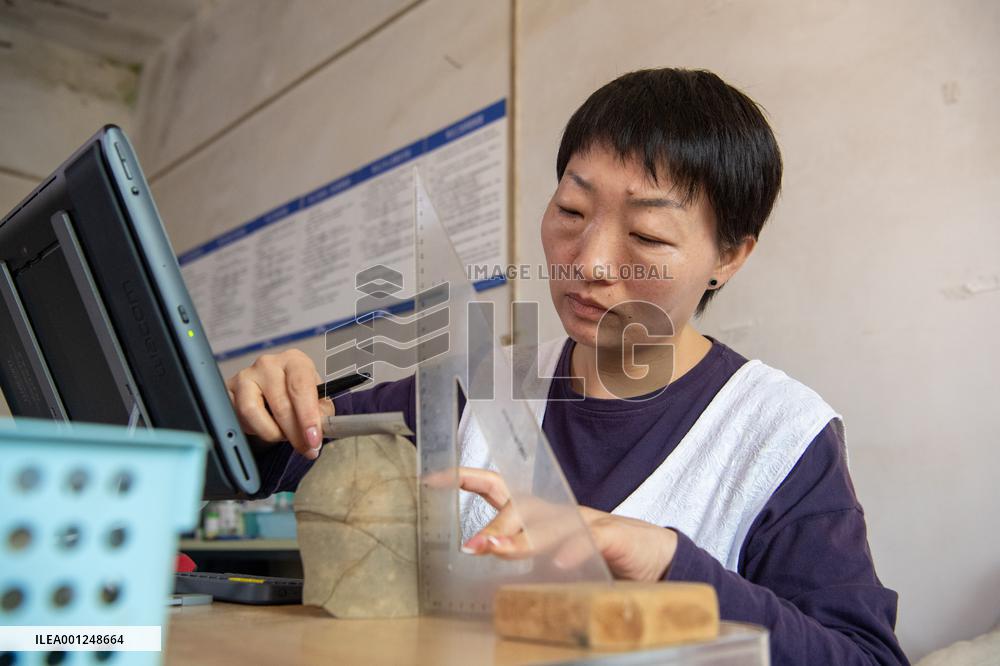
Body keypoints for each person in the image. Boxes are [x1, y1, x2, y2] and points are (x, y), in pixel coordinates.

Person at [227, 68, 908, 665]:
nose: (587, 263)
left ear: (730, 257)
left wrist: (666, 561)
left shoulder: (776, 433)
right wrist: (257, 409)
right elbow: (265, 460)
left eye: (646, 235)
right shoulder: (481, 390)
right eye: (571, 211)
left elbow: (862, 657)